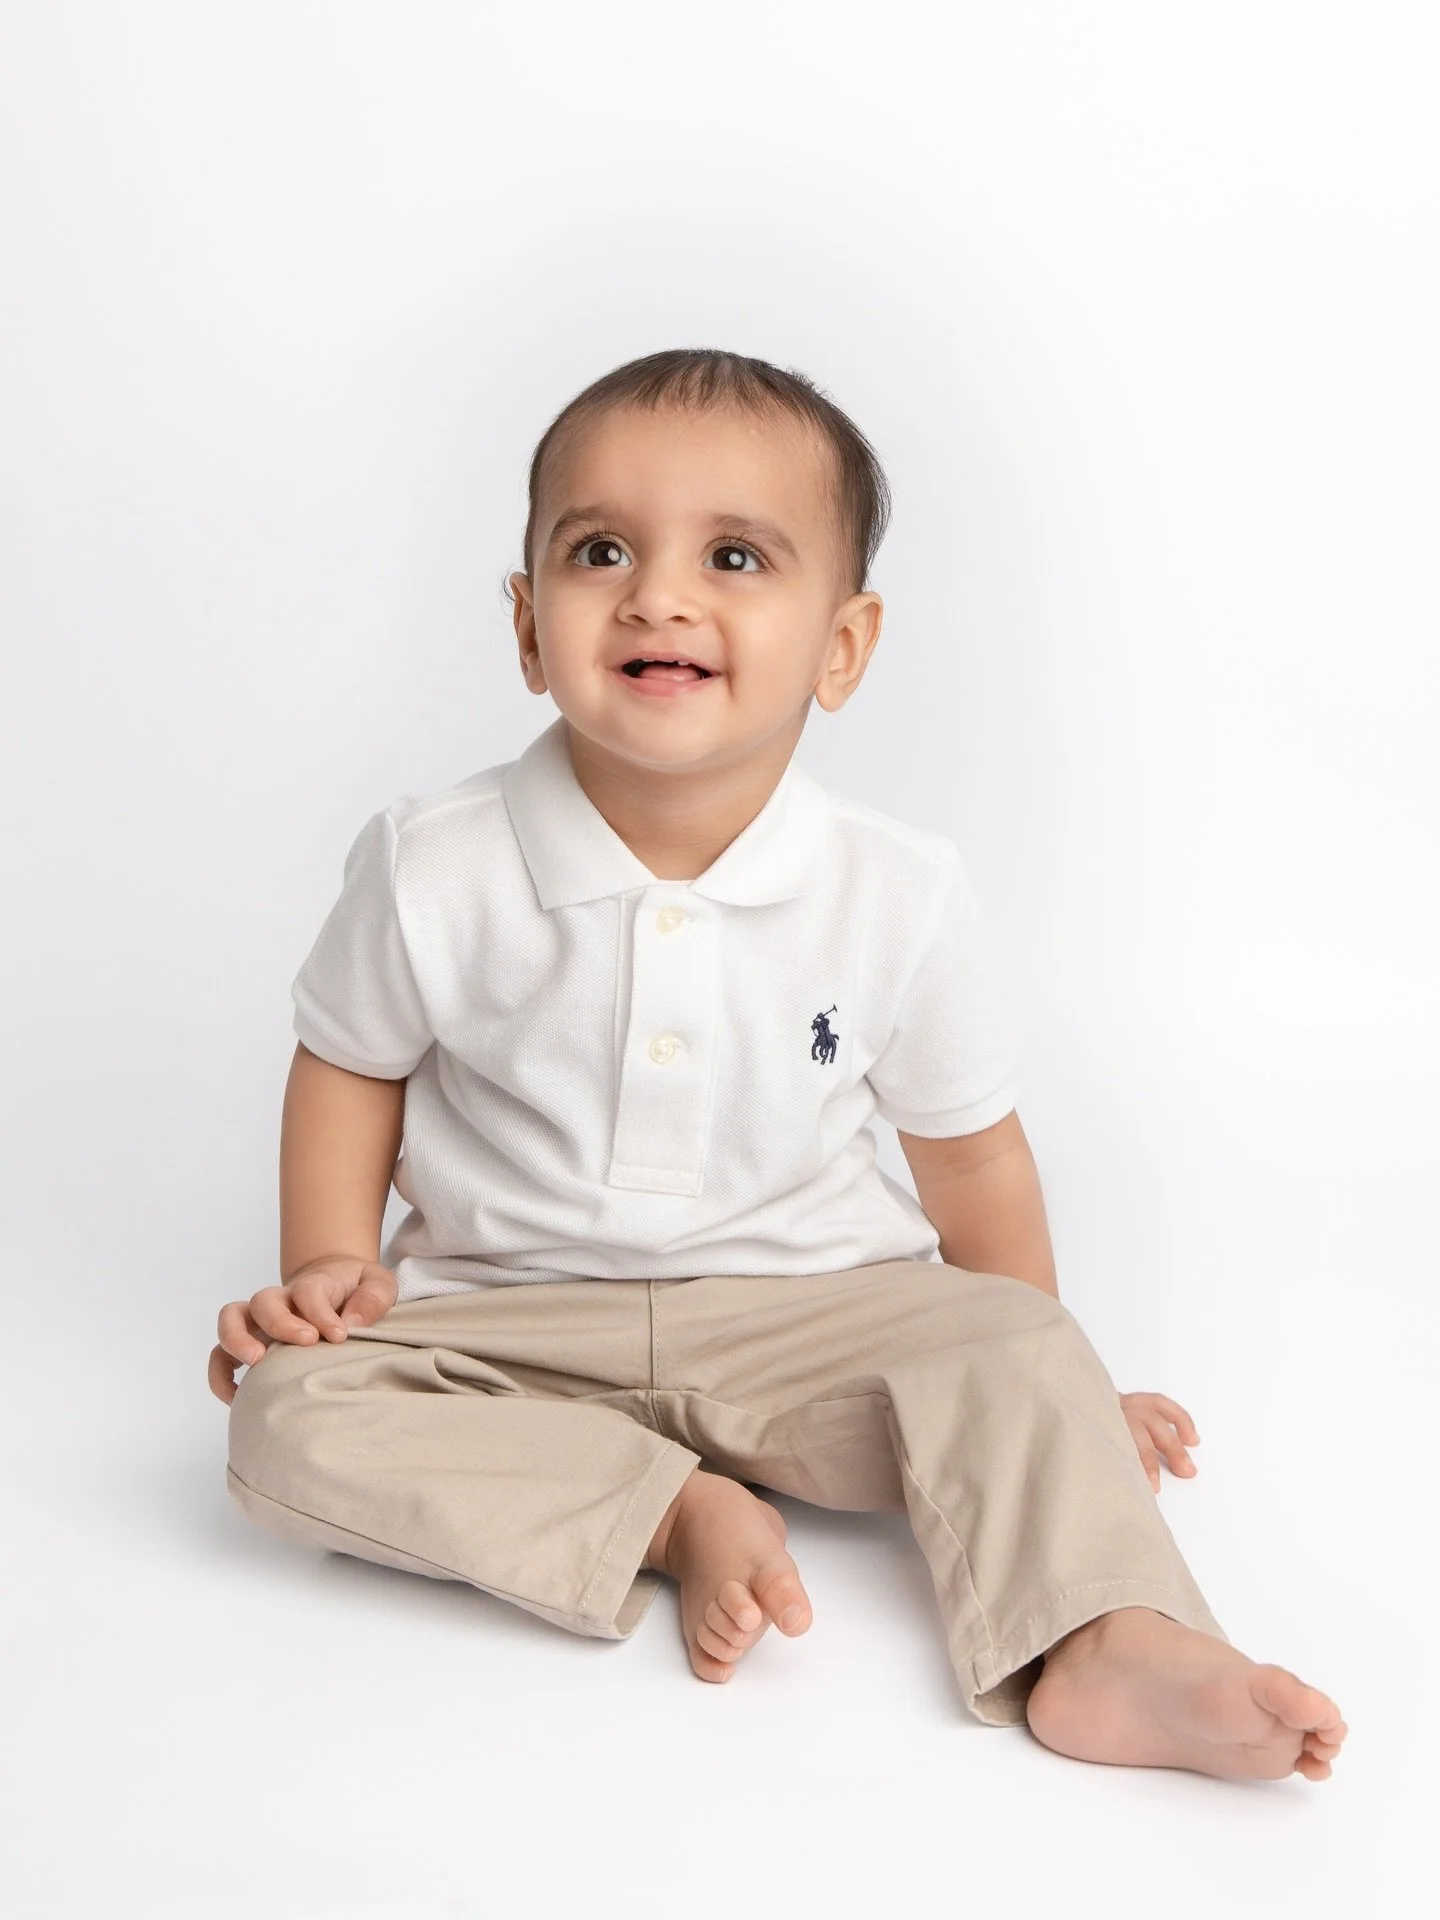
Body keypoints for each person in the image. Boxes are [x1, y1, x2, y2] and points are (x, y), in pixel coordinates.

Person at [209, 348, 1346, 1781]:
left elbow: (974, 1159)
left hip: (812, 1324)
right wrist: (329, 1267)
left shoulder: (898, 890)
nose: (658, 594)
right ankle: (666, 1512)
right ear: (524, 623)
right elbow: (348, 1064)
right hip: (504, 1326)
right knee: (285, 1420)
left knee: (1014, 1345)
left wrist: (1046, 1393)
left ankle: (1106, 1640)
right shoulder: (433, 859)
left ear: (843, 647)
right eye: (600, 548)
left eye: (734, 555)